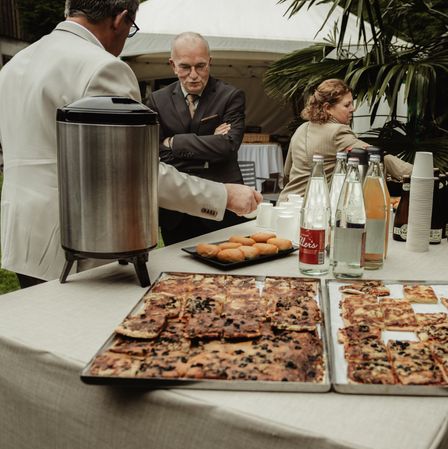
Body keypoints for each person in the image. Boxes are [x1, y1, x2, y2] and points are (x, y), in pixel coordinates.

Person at [0, 0, 262, 288]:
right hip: (81, 238)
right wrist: (222, 196)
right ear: (120, 19)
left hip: (20, 233)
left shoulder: (14, 65)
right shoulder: (103, 68)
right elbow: (136, 173)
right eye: (131, 29)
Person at [146, 32, 247, 245]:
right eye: (185, 67)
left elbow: (227, 146)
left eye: (201, 66)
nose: (193, 75)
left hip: (222, 203)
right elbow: (153, 152)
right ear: (173, 65)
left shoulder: (230, 96)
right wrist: (209, 141)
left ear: (210, 62)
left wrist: (173, 142)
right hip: (176, 210)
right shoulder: (157, 100)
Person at [278, 78, 412, 201]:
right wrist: (419, 172)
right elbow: (378, 156)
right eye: (347, 105)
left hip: (285, 203)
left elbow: (287, 172)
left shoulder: (301, 128)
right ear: (327, 108)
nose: (353, 109)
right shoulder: (338, 132)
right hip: (311, 208)